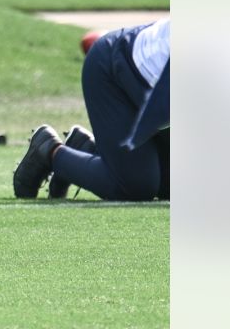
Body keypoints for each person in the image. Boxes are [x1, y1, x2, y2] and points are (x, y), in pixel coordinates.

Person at [13, 17, 170, 201]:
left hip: (141, 83)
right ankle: (48, 151)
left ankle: (85, 149)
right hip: (113, 72)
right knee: (134, 188)